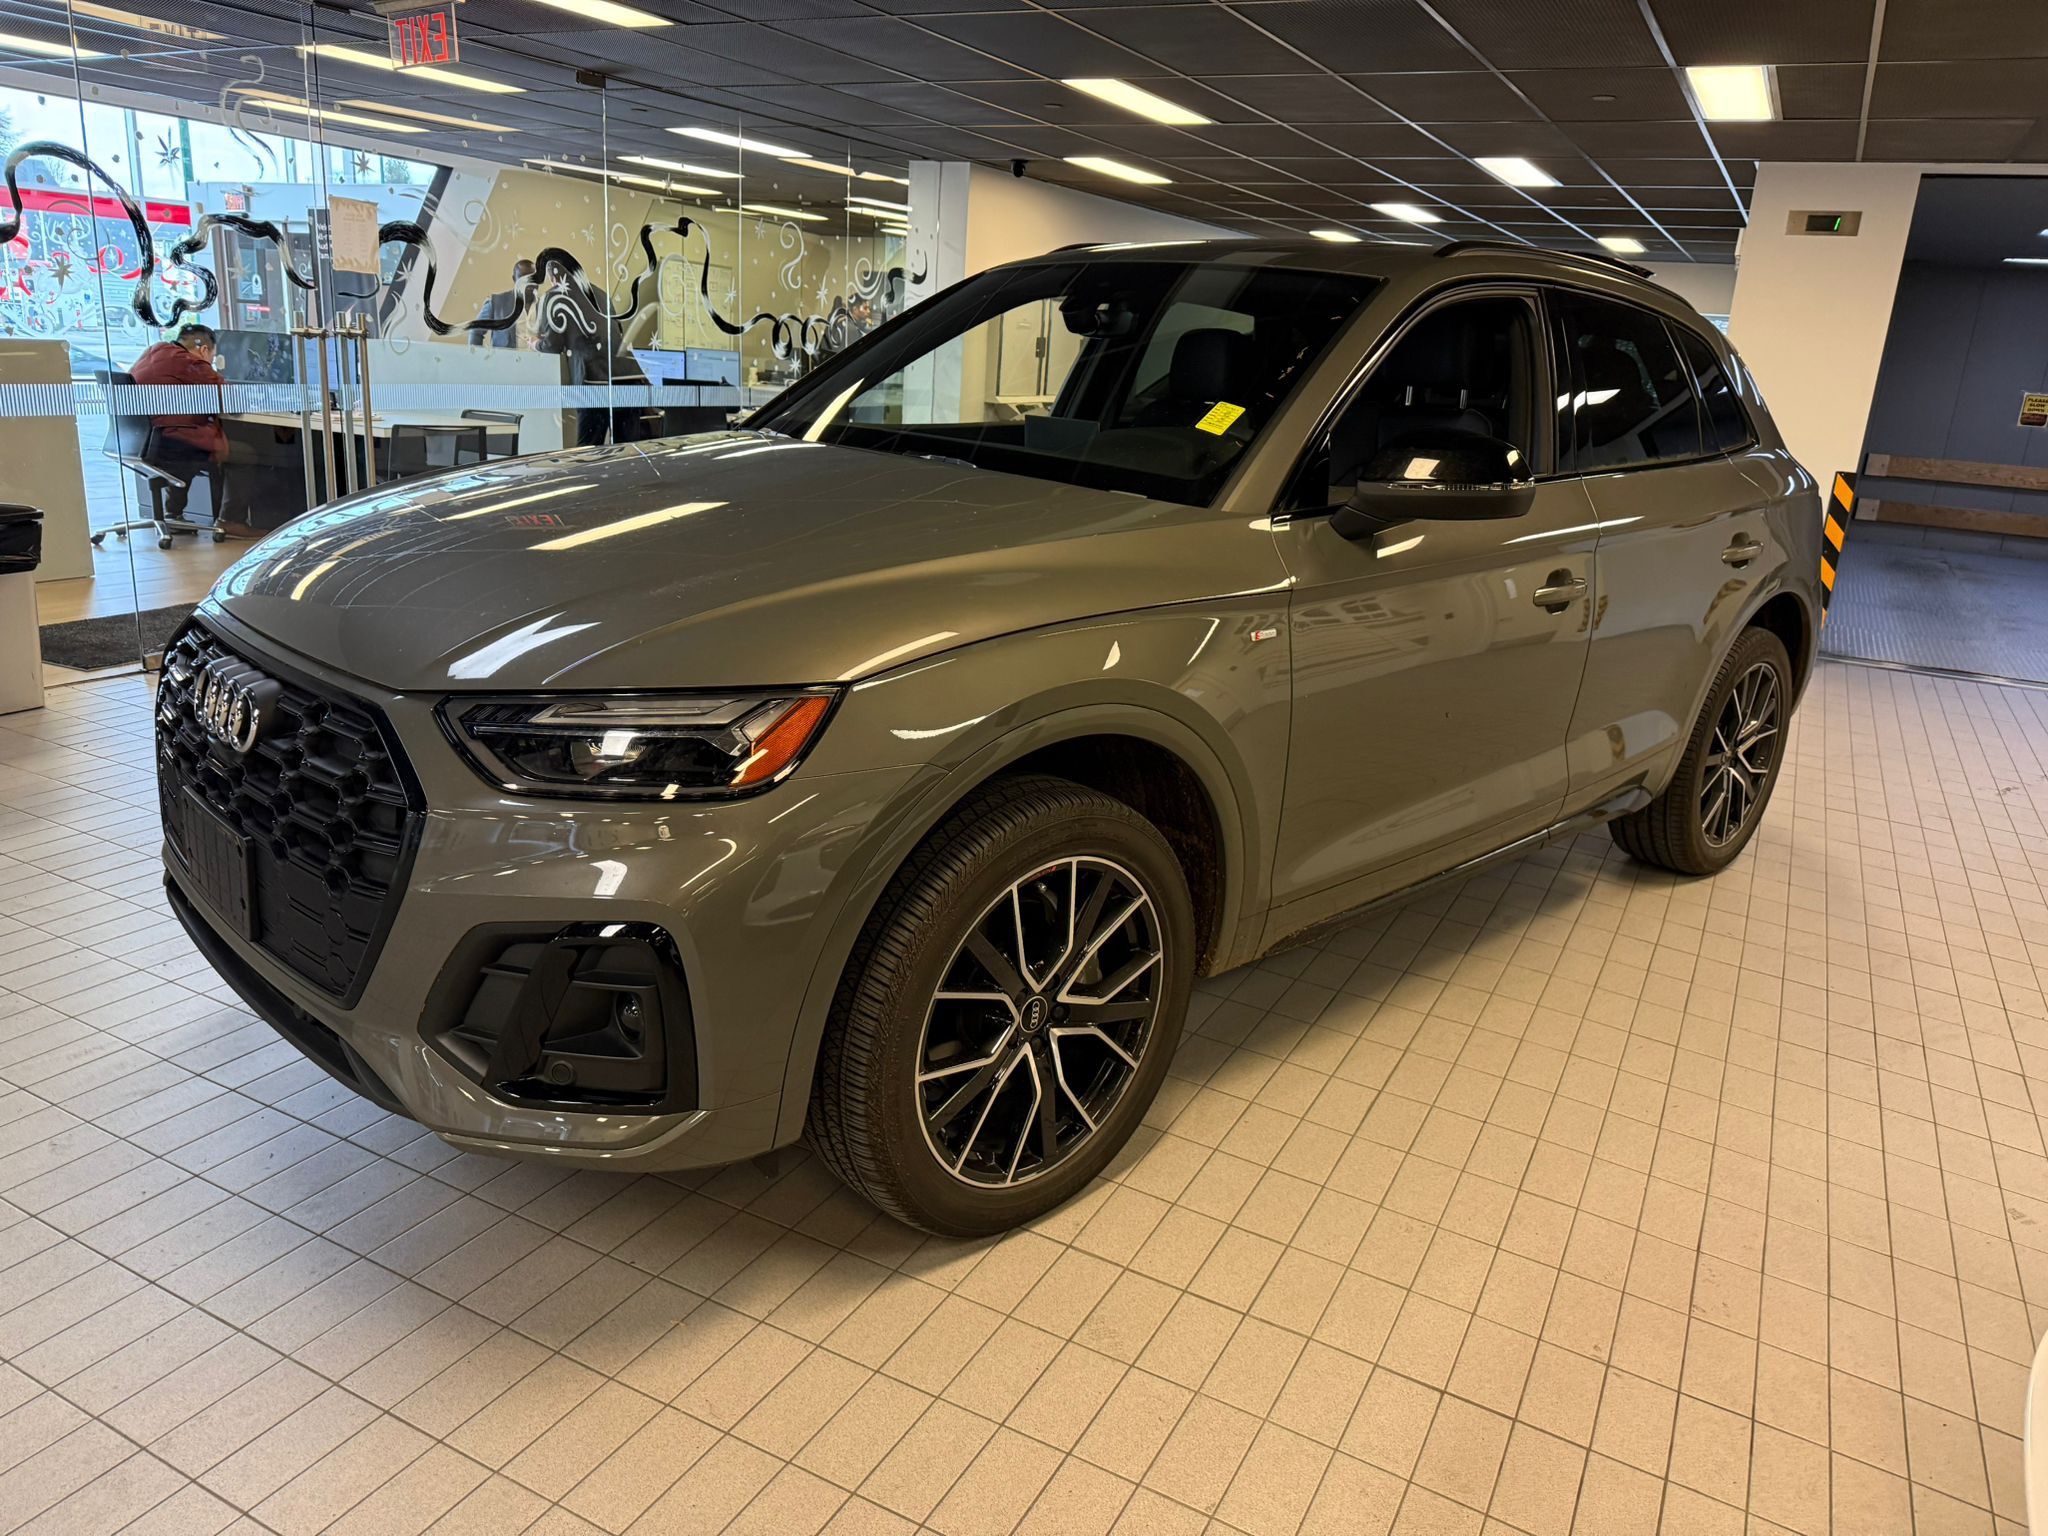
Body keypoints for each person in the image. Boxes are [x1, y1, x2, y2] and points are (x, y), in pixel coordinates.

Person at [127, 323, 238, 530]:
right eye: (212, 357)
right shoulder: (189, 362)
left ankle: (174, 513)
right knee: (244, 455)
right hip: (170, 442)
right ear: (204, 350)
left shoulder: (153, 351)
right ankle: (231, 522)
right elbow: (231, 399)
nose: (210, 362)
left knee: (188, 442)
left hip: (137, 440)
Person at [467, 258, 536, 349]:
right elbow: (475, 331)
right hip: (505, 361)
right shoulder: (496, 303)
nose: (529, 283)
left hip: (539, 362)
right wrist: (479, 359)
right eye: (523, 278)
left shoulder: (544, 305)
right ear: (514, 279)